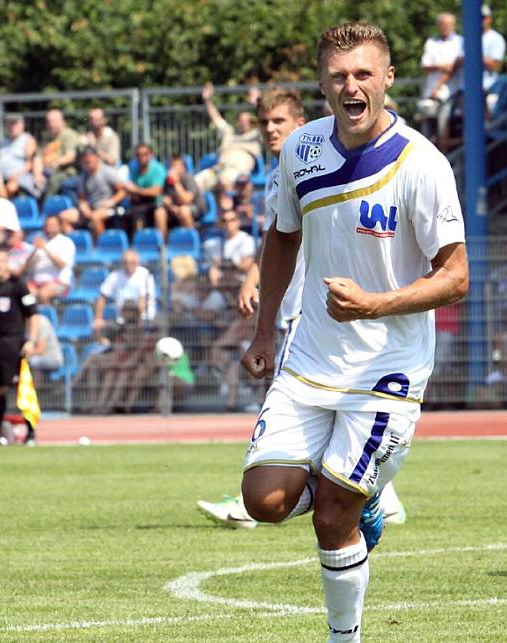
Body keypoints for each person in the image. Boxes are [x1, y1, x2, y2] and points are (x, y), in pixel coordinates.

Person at [237, 23, 468, 641]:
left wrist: (376, 304)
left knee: (333, 513)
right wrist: (264, 333)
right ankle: (353, 489)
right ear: (322, 84)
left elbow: (457, 277)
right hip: (309, 358)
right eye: (339, 76)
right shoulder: (301, 150)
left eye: (364, 74)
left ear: (388, 78)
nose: (352, 86)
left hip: (386, 368)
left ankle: (347, 636)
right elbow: (282, 235)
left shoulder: (422, 164)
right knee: (263, 502)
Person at [200, 86, 407, 527]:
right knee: (316, 404)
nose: (270, 130)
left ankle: (265, 500)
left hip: (307, 308)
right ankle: (379, 494)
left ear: (300, 124)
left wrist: (259, 287)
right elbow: (280, 233)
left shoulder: (317, 161)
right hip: (294, 305)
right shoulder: (284, 169)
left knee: (295, 402)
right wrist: (258, 280)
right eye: (264, 123)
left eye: (279, 122)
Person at [0, 249, 39, 446]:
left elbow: (33, 314)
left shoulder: (17, 286)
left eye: (1, 261)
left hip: (13, 344)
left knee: (21, 388)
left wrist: (31, 340)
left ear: (7, 262)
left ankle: (30, 433)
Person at [195, 82, 262, 194]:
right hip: (218, 169)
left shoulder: (256, 135)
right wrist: (207, 99)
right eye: (241, 120)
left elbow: (266, 120)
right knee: (195, 183)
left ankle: (230, 210)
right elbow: (216, 118)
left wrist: (257, 102)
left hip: (237, 171)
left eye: (246, 120)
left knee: (225, 180)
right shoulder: (229, 131)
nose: (243, 122)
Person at [58, 146, 125, 239]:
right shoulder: (84, 175)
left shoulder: (107, 171)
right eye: (85, 157)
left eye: (90, 156)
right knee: (64, 216)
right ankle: (76, 244)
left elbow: (122, 191)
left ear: (97, 157)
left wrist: (112, 201)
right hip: (91, 208)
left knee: (95, 217)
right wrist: (84, 206)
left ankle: (99, 248)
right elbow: (81, 197)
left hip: (108, 208)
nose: (87, 159)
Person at [416, 13, 463, 140]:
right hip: (431, 93)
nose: (445, 27)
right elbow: (425, 66)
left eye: (448, 24)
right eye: (443, 24)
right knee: (426, 130)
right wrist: (442, 66)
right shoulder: (431, 42)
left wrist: (438, 85)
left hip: (451, 92)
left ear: (454, 25)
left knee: (444, 127)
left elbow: (454, 68)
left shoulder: (460, 42)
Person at [92, 250, 156, 340]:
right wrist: (98, 318)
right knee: (98, 327)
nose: (129, 265)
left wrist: (133, 317)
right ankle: (108, 347)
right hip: (122, 320)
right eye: (126, 262)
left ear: (137, 262)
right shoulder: (115, 275)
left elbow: (143, 301)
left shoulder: (145, 275)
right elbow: (102, 296)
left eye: (132, 262)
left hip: (143, 319)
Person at [23, 214, 76, 304]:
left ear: (59, 226)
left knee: (43, 294)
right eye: (47, 225)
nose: (49, 228)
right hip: (36, 282)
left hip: (59, 282)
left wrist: (45, 249)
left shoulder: (66, 243)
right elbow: (27, 265)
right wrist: (34, 250)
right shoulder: (39, 240)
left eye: (52, 225)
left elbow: (61, 264)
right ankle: (30, 316)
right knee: (25, 297)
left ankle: (47, 315)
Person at [153, 155, 205, 239]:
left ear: (183, 168)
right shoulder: (167, 181)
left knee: (184, 210)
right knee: (159, 212)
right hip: (175, 209)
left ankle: (191, 241)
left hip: (194, 208)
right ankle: (163, 245)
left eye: (176, 166)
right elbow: (164, 199)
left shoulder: (188, 178)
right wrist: (171, 207)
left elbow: (187, 200)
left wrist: (176, 183)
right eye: (172, 166)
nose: (173, 169)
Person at [121, 143, 166, 239]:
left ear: (151, 155)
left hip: (156, 203)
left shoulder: (158, 169)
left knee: (160, 213)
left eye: (144, 154)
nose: (141, 157)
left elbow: (155, 192)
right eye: (138, 155)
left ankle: (162, 245)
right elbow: (131, 192)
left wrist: (135, 190)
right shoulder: (134, 171)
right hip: (139, 204)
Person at [0, 113, 43, 199]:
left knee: (11, 187)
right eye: (9, 123)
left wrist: (16, 176)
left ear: (22, 125)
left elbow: (31, 163)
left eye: (15, 123)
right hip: (1, 178)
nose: (12, 126)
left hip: (20, 178)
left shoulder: (28, 140)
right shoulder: (2, 143)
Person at [41, 109, 80, 198]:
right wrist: (38, 173)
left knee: (54, 180)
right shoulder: (48, 137)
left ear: (62, 121)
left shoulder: (68, 135)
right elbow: (40, 157)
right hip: (47, 171)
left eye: (54, 121)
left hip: (66, 172)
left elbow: (70, 156)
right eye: (49, 121)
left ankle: (45, 208)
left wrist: (55, 163)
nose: (51, 124)